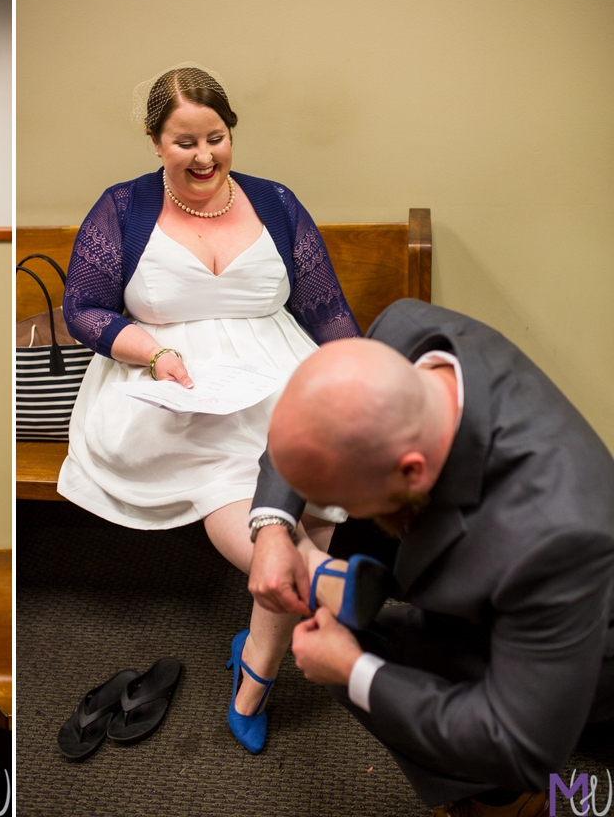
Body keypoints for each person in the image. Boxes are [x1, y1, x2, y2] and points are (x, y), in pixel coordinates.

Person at [57, 64, 365, 752]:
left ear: (231, 132)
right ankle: (308, 600)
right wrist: (149, 352)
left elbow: (324, 308)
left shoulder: (276, 202)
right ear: (154, 141)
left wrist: (361, 379)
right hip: (174, 386)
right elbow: (83, 308)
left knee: (314, 491)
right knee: (237, 476)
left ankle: (259, 659)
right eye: (183, 143)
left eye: (217, 138)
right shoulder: (123, 207)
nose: (203, 157)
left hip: (278, 370)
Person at [249, 299, 614, 817]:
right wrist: (271, 528)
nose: (341, 514)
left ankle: (506, 801)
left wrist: (354, 670)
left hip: (580, 643)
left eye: (346, 505)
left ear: (412, 471)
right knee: (346, 636)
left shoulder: (561, 536)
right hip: (503, 554)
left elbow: (524, 747)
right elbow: (316, 414)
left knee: (353, 662)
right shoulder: (405, 332)